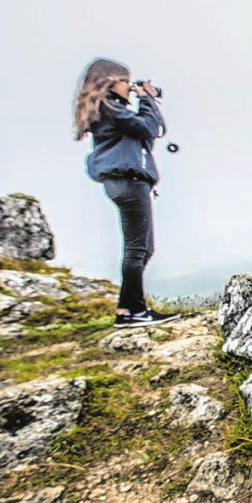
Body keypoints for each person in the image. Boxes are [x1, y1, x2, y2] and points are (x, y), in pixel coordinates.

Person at [72, 57, 179, 328]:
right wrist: (146, 99)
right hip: (129, 181)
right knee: (137, 249)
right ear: (109, 82)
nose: (129, 87)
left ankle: (127, 309)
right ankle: (135, 312)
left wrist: (145, 99)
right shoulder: (112, 108)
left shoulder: (110, 110)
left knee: (142, 248)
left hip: (125, 182)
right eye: (125, 81)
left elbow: (147, 132)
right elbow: (151, 128)